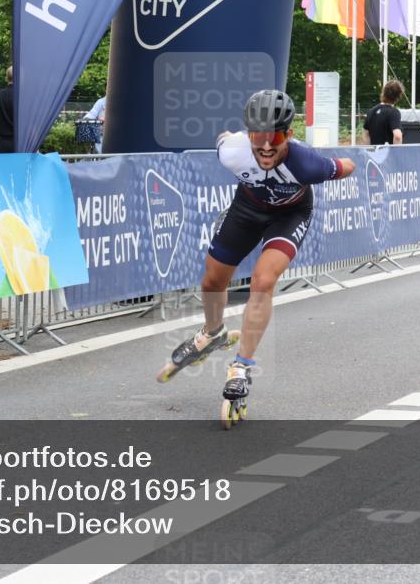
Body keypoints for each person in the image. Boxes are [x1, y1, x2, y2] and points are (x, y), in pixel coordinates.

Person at [158, 90, 355, 404]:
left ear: (288, 134)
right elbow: (224, 137)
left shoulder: (306, 164)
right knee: (212, 280)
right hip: (246, 210)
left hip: (289, 215)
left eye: (274, 137)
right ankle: (212, 333)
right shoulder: (233, 151)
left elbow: (346, 166)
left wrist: (347, 163)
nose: (265, 145)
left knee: (262, 282)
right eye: (257, 136)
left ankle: (241, 367)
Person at [362, 80, 404, 146]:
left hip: (373, 154)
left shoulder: (371, 111)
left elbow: (365, 134)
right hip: (388, 155)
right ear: (398, 96)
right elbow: (397, 137)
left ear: (384, 92)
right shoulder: (394, 112)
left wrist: (370, 151)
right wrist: (396, 154)